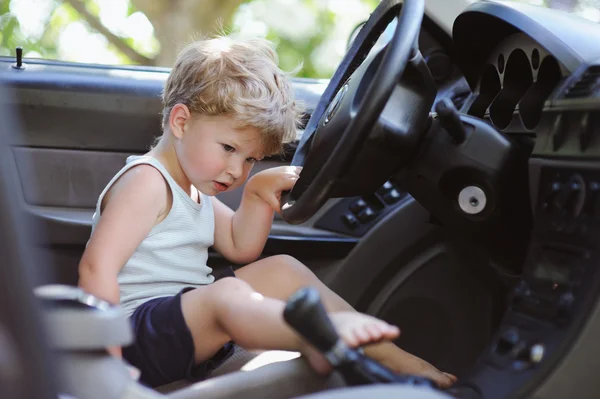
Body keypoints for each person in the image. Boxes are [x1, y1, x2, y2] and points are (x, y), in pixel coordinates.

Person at [77, 35, 456, 388]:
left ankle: (395, 358)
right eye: (228, 148)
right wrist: (105, 361)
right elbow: (97, 269)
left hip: (182, 322)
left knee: (281, 269)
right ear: (181, 121)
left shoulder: (193, 188)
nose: (236, 170)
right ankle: (318, 335)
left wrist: (257, 196)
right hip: (135, 335)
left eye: (251, 160)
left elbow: (240, 247)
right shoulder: (147, 182)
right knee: (224, 295)